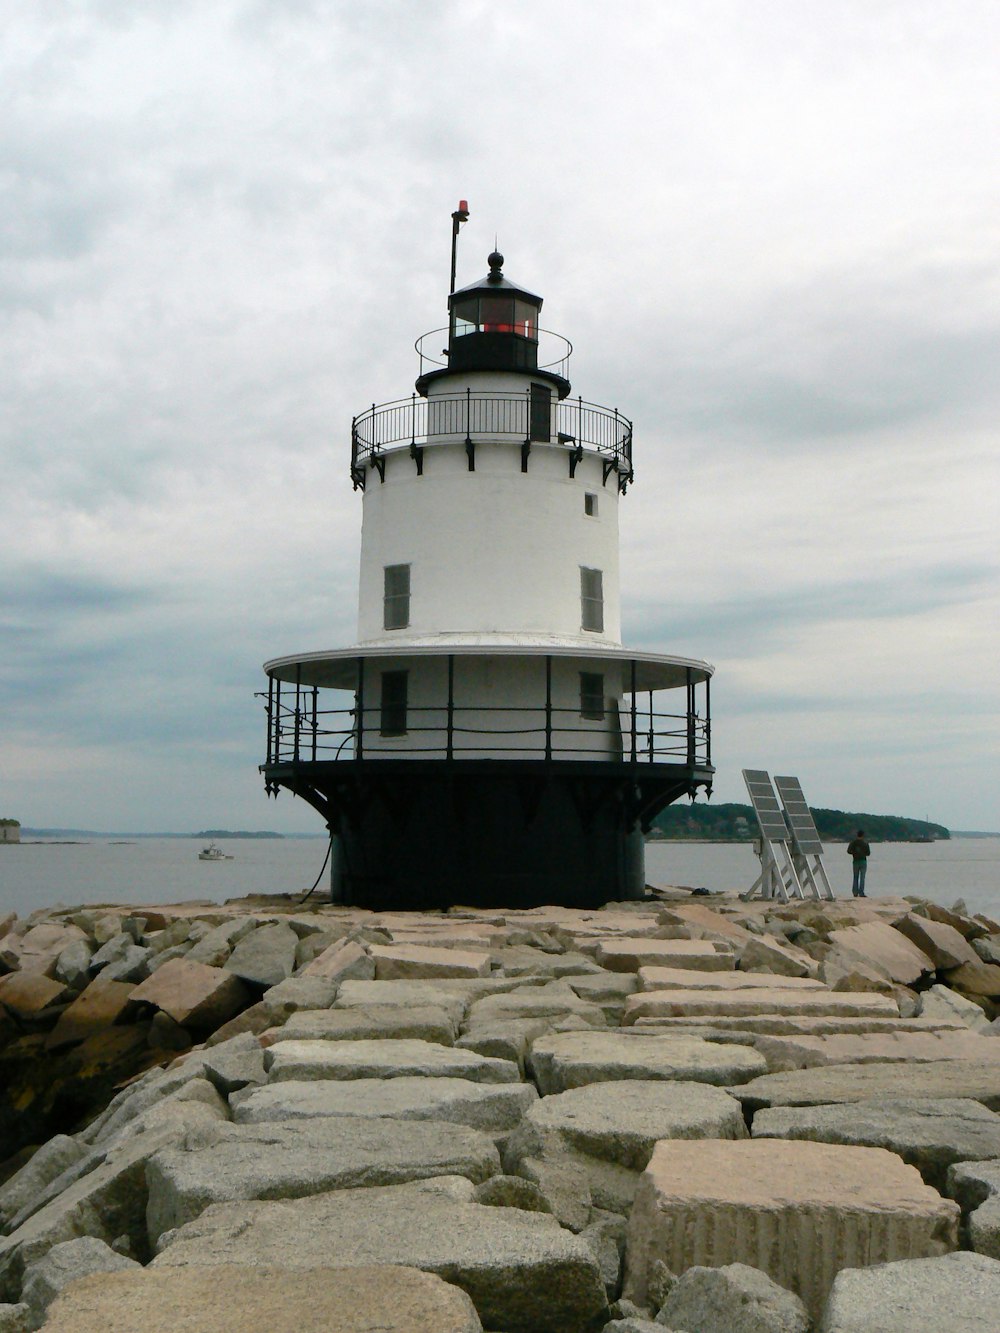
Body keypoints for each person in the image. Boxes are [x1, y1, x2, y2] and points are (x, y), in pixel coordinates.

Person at [847, 829, 871, 897]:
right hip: (863, 861)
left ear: (857, 835)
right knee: (862, 878)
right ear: (863, 835)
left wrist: (854, 853)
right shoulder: (865, 843)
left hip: (855, 861)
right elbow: (868, 853)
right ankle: (861, 892)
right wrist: (862, 853)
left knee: (855, 877)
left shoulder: (853, 842)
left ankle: (855, 892)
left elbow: (848, 851)